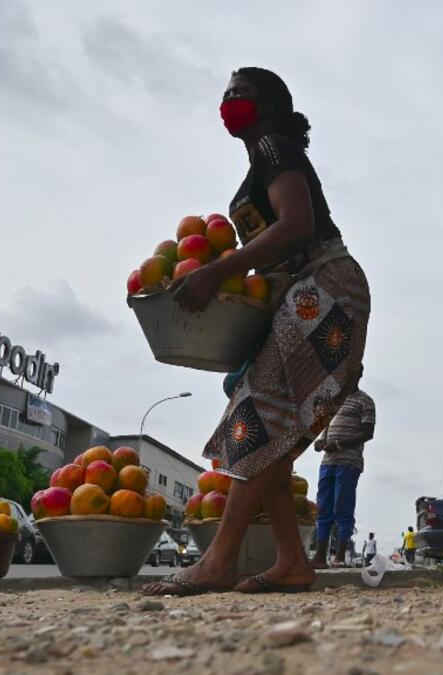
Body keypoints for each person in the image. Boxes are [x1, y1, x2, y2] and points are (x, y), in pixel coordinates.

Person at [145, 67, 371, 596]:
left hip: (326, 285)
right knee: (275, 430)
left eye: (240, 94)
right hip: (307, 291)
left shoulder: (275, 147)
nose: (228, 102)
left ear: (269, 105)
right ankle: (292, 561)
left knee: (259, 412)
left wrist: (216, 271)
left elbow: (297, 226)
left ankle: (219, 560)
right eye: (225, 94)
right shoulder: (258, 165)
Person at [310, 379, 375, 568]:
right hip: (328, 462)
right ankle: (320, 557)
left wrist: (339, 444)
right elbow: (326, 430)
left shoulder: (365, 401)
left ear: (360, 374)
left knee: (342, 508)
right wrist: (320, 442)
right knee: (323, 508)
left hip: (349, 461)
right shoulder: (334, 402)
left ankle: (339, 558)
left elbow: (367, 433)